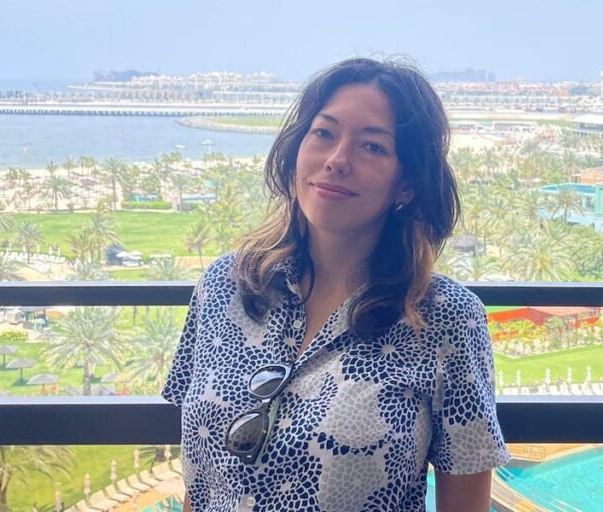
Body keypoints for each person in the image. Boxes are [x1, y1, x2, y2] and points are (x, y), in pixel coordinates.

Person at [162, 57, 510, 512]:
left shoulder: (444, 319)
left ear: (406, 184)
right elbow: (201, 482)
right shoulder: (225, 287)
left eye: (372, 147)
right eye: (324, 133)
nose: (337, 161)